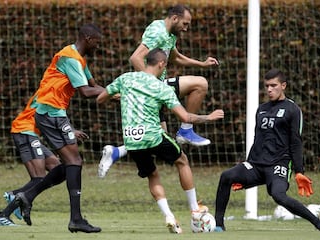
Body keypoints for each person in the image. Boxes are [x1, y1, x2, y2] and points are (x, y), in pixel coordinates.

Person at [96, 48, 224, 233]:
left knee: (152, 175)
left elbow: (101, 99)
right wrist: (208, 117)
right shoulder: (161, 87)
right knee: (182, 161)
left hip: (131, 139)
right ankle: (195, 210)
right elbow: (186, 117)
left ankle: (169, 216)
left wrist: (127, 97)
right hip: (153, 136)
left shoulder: (126, 79)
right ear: (161, 64)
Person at [98, 4, 220, 178]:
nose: (186, 29)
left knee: (158, 137)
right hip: (153, 87)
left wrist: (201, 63)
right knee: (200, 84)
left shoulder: (169, 34)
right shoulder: (158, 32)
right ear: (175, 18)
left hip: (156, 86)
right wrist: (152, 86)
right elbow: (135, 58)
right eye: (185, 24)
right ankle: (186, 130)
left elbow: (175, 57)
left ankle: (117, 152)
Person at [214, 68, 320, 233]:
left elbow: (296, 141)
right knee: (227, 176)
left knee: (278, 195)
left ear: (283, 85)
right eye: (267, 86)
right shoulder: (261, 109)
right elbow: (258, 139)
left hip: (279, 164)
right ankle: (218, 225)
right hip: (256, 164)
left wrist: (299, 171)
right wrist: (246, 167)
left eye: (273, 85)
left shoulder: (293, 109)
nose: (269, 90)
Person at [11, 23, 105, 233]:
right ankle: (76, 219)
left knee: (71, 164)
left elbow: (93, 84)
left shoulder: (79, 59)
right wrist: (118, 91)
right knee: (74, 161)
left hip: (54, 113)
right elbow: (86, 91)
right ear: (89, 39)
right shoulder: (70, 58)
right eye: (97, 43)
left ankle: (27, 196)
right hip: (49, 113)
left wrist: (113, 93)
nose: (98, 47)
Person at [0, 91, 89, 226]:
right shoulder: (49, 92)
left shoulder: (53, 92)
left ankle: (15, 198)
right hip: (24, 131)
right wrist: (70, 131)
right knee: (38, 177)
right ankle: (5, 212)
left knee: (59, 169)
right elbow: (47, 119)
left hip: (32, 134)